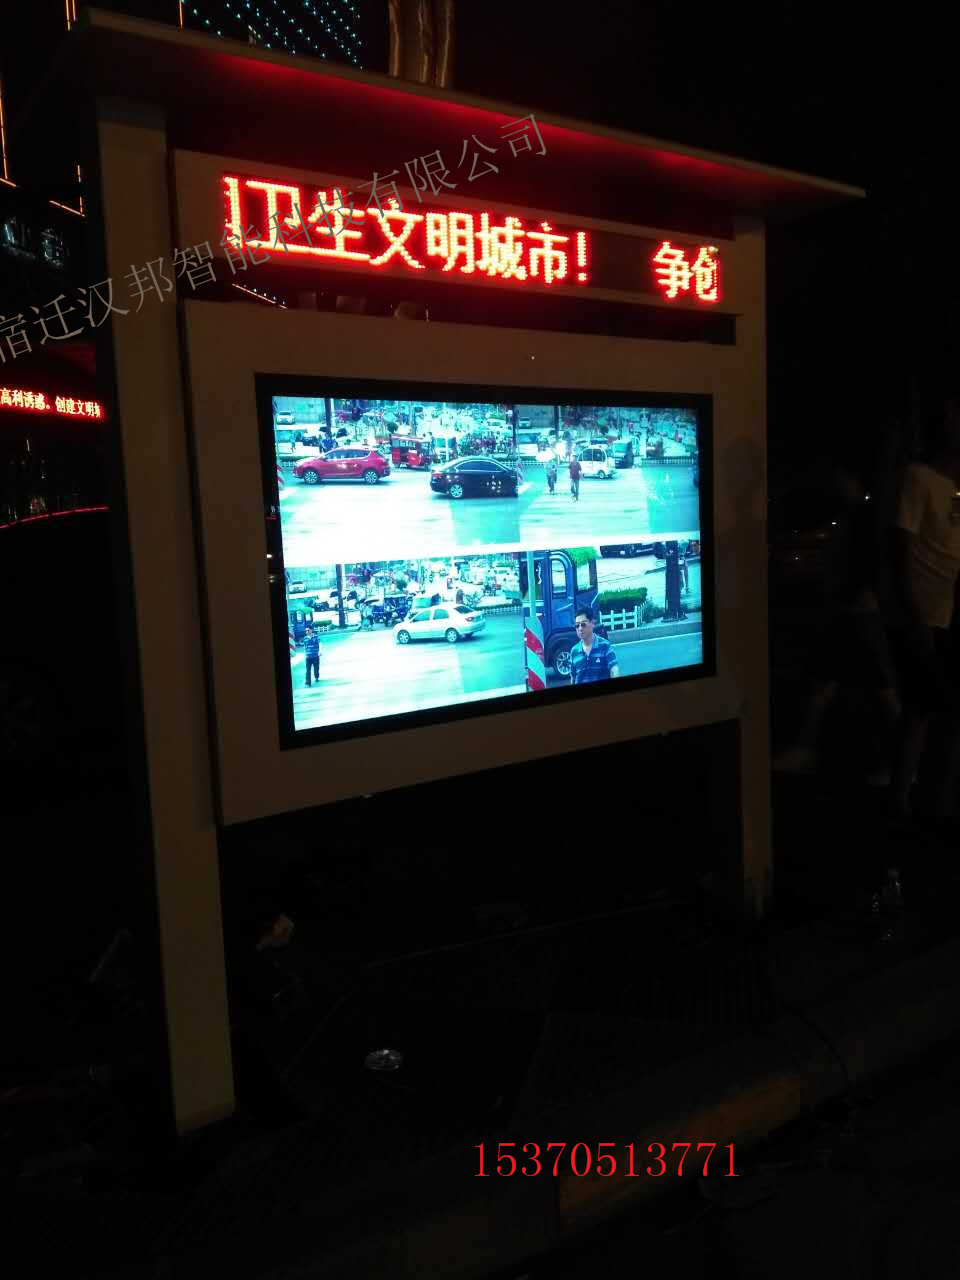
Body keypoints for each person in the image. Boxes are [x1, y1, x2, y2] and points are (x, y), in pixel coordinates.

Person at [884, 397, 960, 822]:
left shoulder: (950, 486)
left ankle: (929, 798)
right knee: (922, 709)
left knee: (934, 710)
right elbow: (901, 549)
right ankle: (905, 802)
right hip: (923, 616)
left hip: (944, 613)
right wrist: (914, 617)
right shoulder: (917, 478)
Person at [570, 606, 620, 683]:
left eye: (583, 624)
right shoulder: (574, 651)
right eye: (577, 625)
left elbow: (614, 669)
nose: (580, 628)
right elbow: (573, 678)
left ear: (592, 623)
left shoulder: (605, 645)